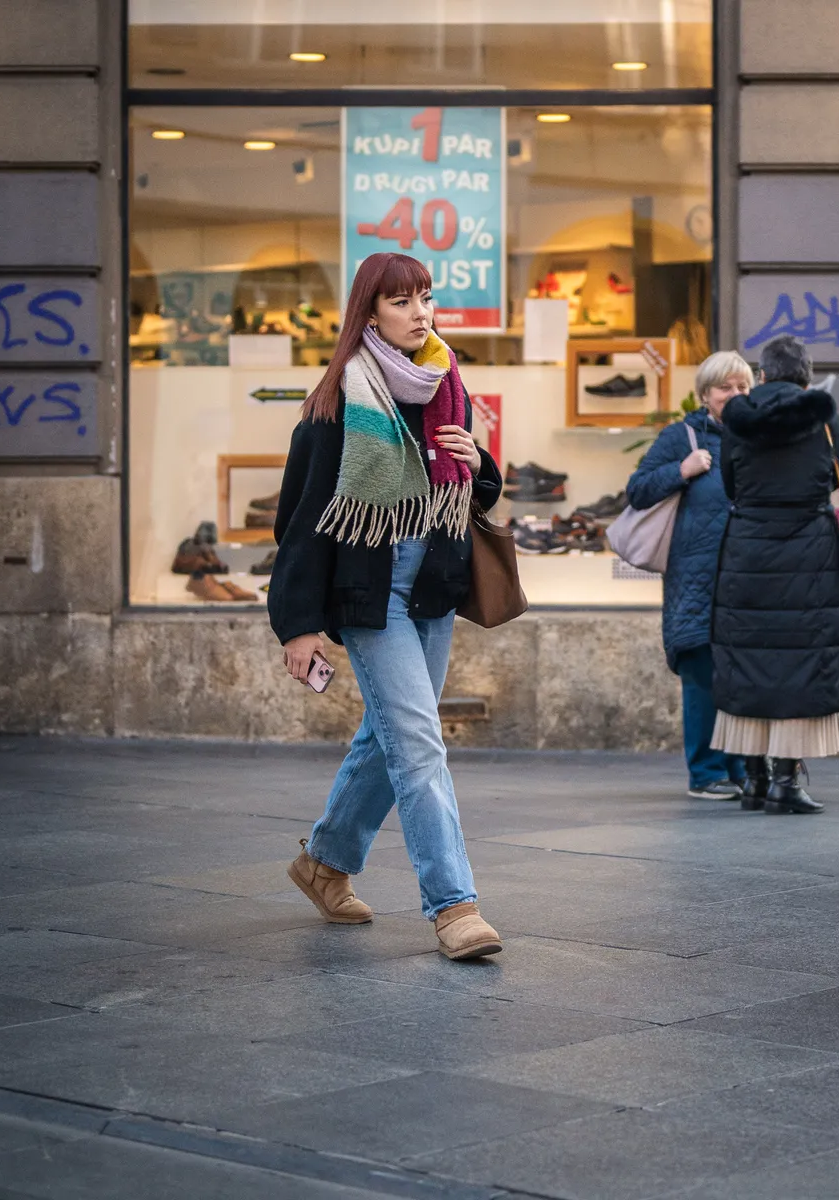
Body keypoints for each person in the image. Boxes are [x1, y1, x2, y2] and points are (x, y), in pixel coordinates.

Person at [267, 252, 504, 959]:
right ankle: (454, 906)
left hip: (432, 584)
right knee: (419, 745)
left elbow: (472, 494)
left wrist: (480, 462)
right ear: (369, 313)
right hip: (372, 595)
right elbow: (302, 522)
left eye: (425, 297)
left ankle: (324, 863)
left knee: (391, 737)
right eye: (401, 301)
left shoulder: (442, 385)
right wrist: (299, 624)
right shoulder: (339, 402)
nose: (419, 312)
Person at [711, 334, 839, 815]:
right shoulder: (823, 414)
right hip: (808, 550)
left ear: (764, 374)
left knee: (748, 657)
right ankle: (786, 782)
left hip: (747, 548)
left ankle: (753, 778)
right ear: (806, 375)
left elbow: (729, 480)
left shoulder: (737, 416)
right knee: (801, 660)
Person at [626, 351, 754, 800]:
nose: (736, 395)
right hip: (695, 582)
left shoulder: (756, 438)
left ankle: (739, 769)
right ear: (705, 395)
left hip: (744, 580)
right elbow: (637, 490)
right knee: (702, 677)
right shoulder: (681, 436)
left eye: (743, 387)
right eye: (726, 388)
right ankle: (705, 772)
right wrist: (682, 470)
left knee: (739, 677)